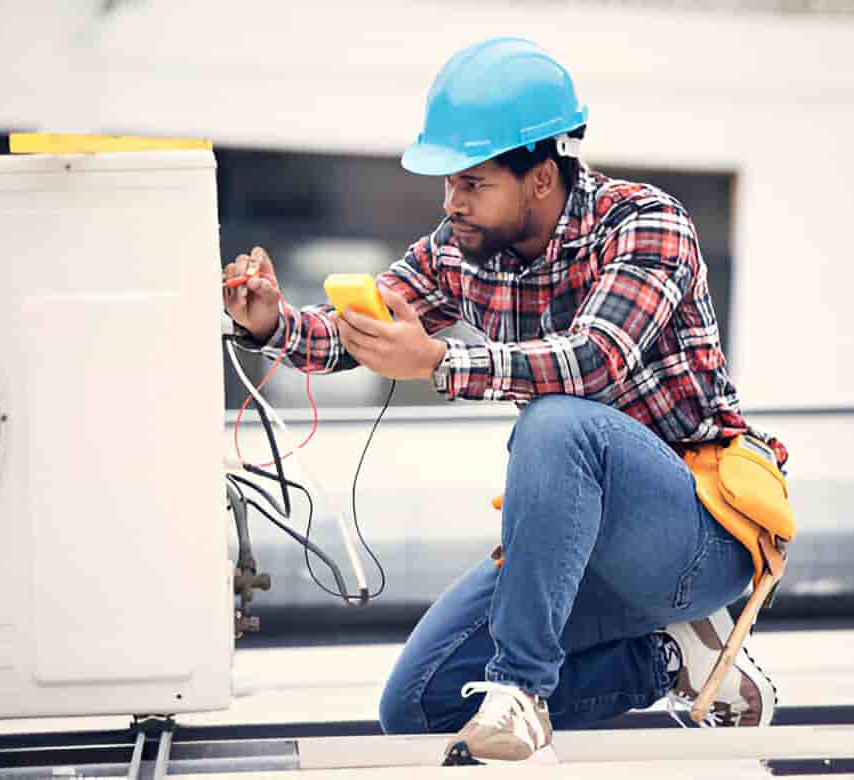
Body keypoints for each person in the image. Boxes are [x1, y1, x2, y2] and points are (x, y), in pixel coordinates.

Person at [223, 37, 786, 764]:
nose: (450, 204)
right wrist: (270, 322)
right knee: (416, 704)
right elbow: (361, 332)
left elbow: (592, 362)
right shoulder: (459, 248)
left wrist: (440, 361)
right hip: (576, 555)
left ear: (542, 177)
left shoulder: (647, 226)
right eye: (446, 185)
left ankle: (520, 695)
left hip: (696, 535)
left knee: (557, 422)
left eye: (472, 183)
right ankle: (674, 661)